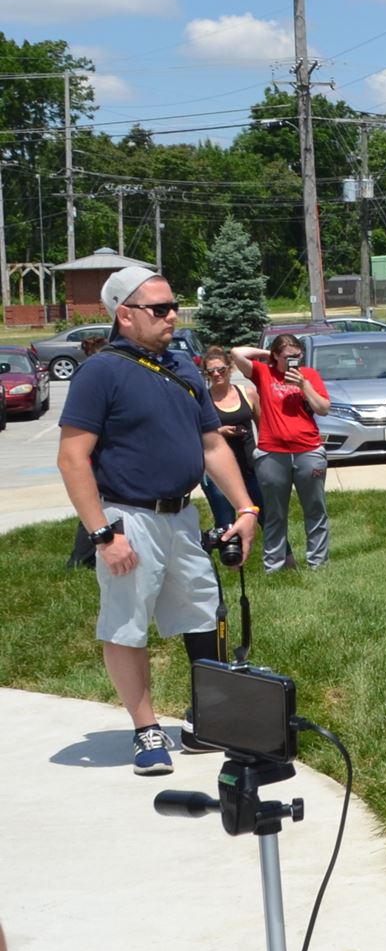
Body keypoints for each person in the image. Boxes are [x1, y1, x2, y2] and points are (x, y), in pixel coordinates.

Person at [56, 265, 262, 774]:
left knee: (203, 613)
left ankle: (206, 719)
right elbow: (72, 457)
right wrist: (103, 534)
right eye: (161, 308)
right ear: (125, 315)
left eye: (174, 306)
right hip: (128, 517)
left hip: (182, 515)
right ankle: (146, 729)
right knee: (127, 623)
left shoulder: (185, 368)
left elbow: (211, 445)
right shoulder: (101, 372)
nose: (173, 315)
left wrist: (246, 508)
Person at [229, 333, 332, 571]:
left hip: (308, 451)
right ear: (276, 356)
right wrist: (270, 355)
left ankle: (318, 564)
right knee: (275, 513)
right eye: (288, 357)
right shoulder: (264, 373)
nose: (294, 361)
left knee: (315, 509)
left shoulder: (309, 375)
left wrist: (304, 386)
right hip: (272, 453)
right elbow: (236, 353)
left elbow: (323, 409)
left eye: (297, 356)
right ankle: (274, 566)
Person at [199, 345, 258, 531]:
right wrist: (219, 433)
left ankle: (281, 552)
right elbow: (194, 436)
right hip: (218, 474)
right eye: (211, 371)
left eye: (221, 369)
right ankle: (232, 551)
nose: (216, 374)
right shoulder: (202, 401)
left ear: (230, 368)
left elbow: (264, 427)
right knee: (226, 525)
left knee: (267, 517)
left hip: (250, 469)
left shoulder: (248, 393)